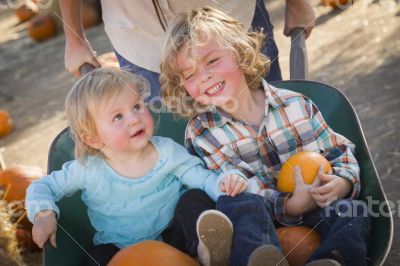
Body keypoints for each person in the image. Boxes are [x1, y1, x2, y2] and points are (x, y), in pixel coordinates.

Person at [159, 7, 370, 266]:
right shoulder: (202, 133)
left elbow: (338, 152)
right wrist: (290, 206)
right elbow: (233, 190)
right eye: (190, 74)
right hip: (254, 226)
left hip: (318, 206)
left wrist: (342, 182)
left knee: (354, 212)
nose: (204, 76)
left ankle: (332, 259)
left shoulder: (296, 105)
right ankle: (258, 260)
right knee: (240, 203)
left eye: (212, 61)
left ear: (239, 52)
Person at [24, 68, 249, 266]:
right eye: (118, 116)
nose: (134, 119)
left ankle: (207, 253)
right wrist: (44, 214)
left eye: (137, 106)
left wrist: (224, 183)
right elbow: (44, 186)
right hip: (122, 251)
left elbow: (201, 177)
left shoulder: (166, 153)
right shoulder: (88, 169)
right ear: (93, 139)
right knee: (96, 258)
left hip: (175, 237)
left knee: (194, 199)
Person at [59, 0, 315, 97]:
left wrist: (297, 1)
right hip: (141, 40)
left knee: (272, 124)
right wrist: (74, 37)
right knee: (182, 153)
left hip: (229, 21)